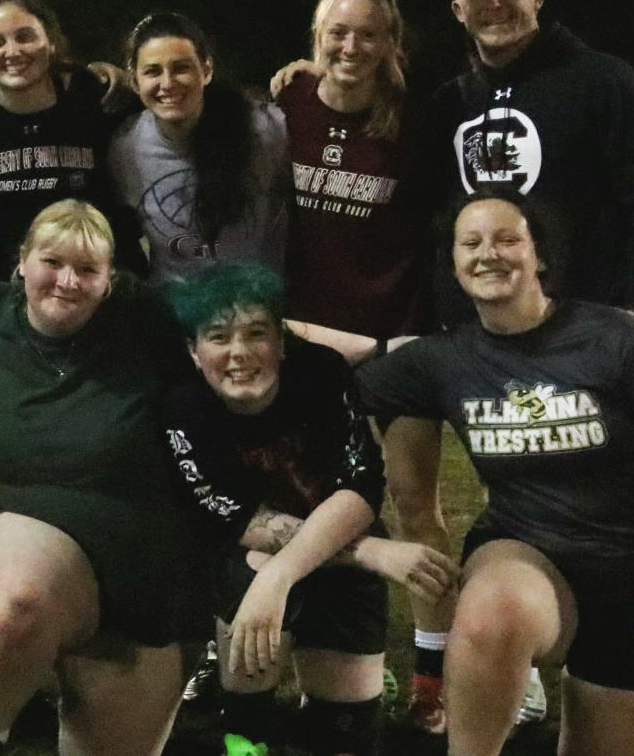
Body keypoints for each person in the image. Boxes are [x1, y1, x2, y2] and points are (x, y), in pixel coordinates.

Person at [352, 189, 634, 756]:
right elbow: (318, 385)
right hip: (527, 555)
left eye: (507, 239)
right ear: (454, 265)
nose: (488, 254)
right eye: (470, 243)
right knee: (493, 607)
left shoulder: (615, 339)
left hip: (632, 577)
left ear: (539, 256)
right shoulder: (444, 360)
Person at [0, 199, 209, 756]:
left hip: (148, 569)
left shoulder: (148, 322)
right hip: (29, 524)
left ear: (111, 281)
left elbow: (258, 335)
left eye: (86, 270)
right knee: (19, 606)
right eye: (51, 262)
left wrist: (381, 350)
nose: (65, 281)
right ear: (22, 262)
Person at [161, 262, 457, 756]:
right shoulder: (183, 410)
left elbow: (362, 487)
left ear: (280, 341)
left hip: (332, 536)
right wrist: (373, 555)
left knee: (346, 736)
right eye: (218, 337)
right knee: (249, 611)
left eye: (256, 333)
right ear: (194, 352)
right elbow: (237, 522)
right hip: (249, 554)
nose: (238, 352)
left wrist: (280, 575)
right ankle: (245, 740)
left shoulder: (321, 372)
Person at [274, 0, 452, 732]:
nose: (349, 46)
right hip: (303, 344)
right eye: (334, 32)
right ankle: (260, 653)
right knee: (289, 497)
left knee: (415, 503)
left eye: (366, 33)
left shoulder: (419, 119)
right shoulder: (284, 105)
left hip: (395, 340)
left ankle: (433, 678)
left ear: (390, 42)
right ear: (314, 36)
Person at [434, 0, 634, 325]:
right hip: (478, 333)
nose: (495, 3)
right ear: (458, 9)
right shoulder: (451, 103)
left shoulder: (602, 81)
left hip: (583, 325)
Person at [0, 0, 143, 278]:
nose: (12, 51)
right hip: (18, 288)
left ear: (50, 42)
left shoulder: (98, 97)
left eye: (25, 37)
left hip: (106, 279)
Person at [107, 11, 288, 281]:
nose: (167, 83)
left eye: (181, 68)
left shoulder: (263, 129)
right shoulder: (124, 148)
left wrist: (320, 76)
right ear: (134, 80)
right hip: (175, 311)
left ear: (206, 70)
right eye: (153, 71)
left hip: (253, 309)